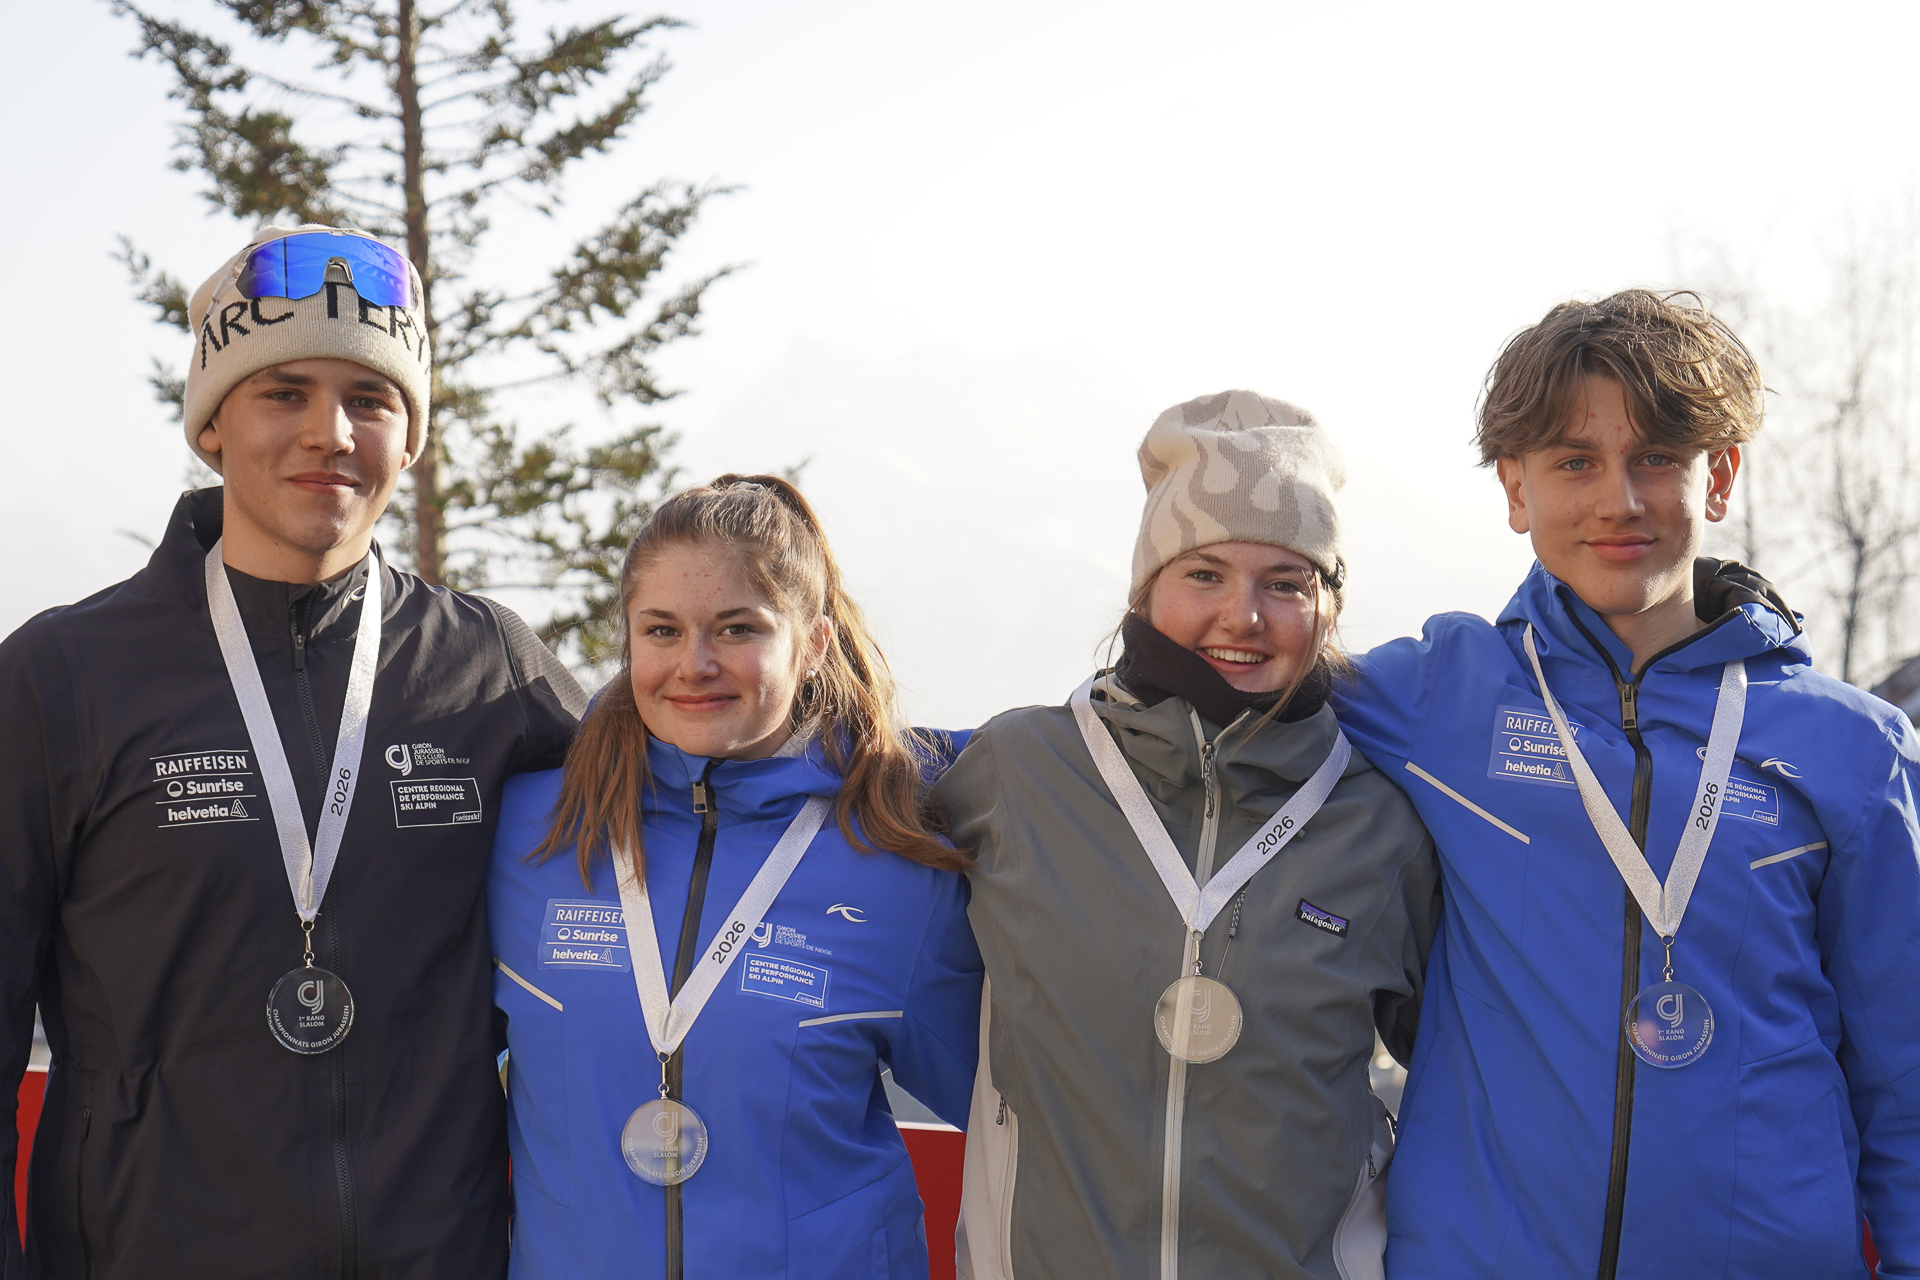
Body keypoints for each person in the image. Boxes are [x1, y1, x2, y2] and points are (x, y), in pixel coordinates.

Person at [0, 224, 586, 1279]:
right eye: (284, 393)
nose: (330, 432)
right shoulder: (61, 676)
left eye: (370, 399)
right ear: (213, 424)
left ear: (408, 436)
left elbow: (685, 800)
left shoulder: (490, 667)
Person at [1334, 290, 1920, 1277]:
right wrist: (975, 774)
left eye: (1657, 456)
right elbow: (1202, 715)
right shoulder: (1430, 696)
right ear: (1515, 489)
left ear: (1719, 474)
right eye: (1574, 461)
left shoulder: (1857, 751)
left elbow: (1905, 1075)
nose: (1620, 498)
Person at [935, 391, 1440, 1280]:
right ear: (1146, 590)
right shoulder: (1019, 772)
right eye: (1203, 574)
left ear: (1327, 605)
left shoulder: (1382, 822)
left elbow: (1465, 1084)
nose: (1243, 616)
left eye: (1285, 582)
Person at [488, 474, 981, 1280]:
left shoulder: (898, 862)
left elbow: (1013, 1122)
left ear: (814, 642)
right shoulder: (528, 833)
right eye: (661, 630)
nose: (696, 665)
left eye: (737, 629)